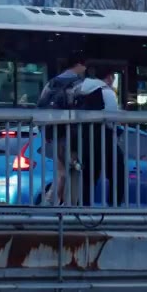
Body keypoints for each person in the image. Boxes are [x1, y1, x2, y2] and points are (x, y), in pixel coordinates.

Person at [36, 55, 87, 205]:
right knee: (75, 170)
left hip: (56, 134)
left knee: (61, 172)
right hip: (74, 135)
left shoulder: (52, 83)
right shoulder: (79, 83)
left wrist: (45, 131)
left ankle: (51, 204)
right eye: (84, 66)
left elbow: (41, 106)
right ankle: (67, 206)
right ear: (78, 65)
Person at [73, 68, 125, 205]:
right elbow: (111, 118)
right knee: (118, 172)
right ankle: (114, 205)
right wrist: (117, 130)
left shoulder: (80, 89)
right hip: (104, 138)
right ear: (109, 77)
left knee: (89, 176)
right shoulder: (107, 92)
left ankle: (84, 207)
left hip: (85, 138)